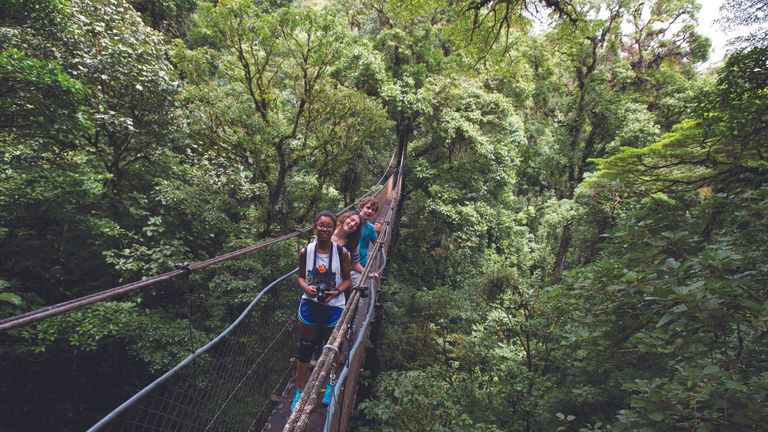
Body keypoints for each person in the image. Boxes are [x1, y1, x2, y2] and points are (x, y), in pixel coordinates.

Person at [293, 211, 351, 410]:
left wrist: (336, 292)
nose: (324, 229)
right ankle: (300, 391)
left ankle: (330, 386)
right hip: (310, 304)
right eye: (321, 225)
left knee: (332, 347)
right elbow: (300, 276)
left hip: (333, 306)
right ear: (314, 227)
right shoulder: (305, 252)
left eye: (328, 226)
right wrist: (305, 287)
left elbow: (347, 280)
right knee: (305, 347)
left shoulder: (341, 252)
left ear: (334, 228)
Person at [332, 211, 377, 298]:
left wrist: (367, 274)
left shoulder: (353, 244)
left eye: (356, 225)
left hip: (339, 282)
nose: (352, 224)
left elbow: (355, 263)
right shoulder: (328, 231)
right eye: (351, 219)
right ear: (345, 218)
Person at [357, 197, 381, 269]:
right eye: (368, 208)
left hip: (361, 264)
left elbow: (378, 248)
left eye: (373, 210)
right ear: (361, 208)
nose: (370, 211)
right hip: (344, 262)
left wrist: (378, 233)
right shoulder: (350, 222)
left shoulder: (371, 228)